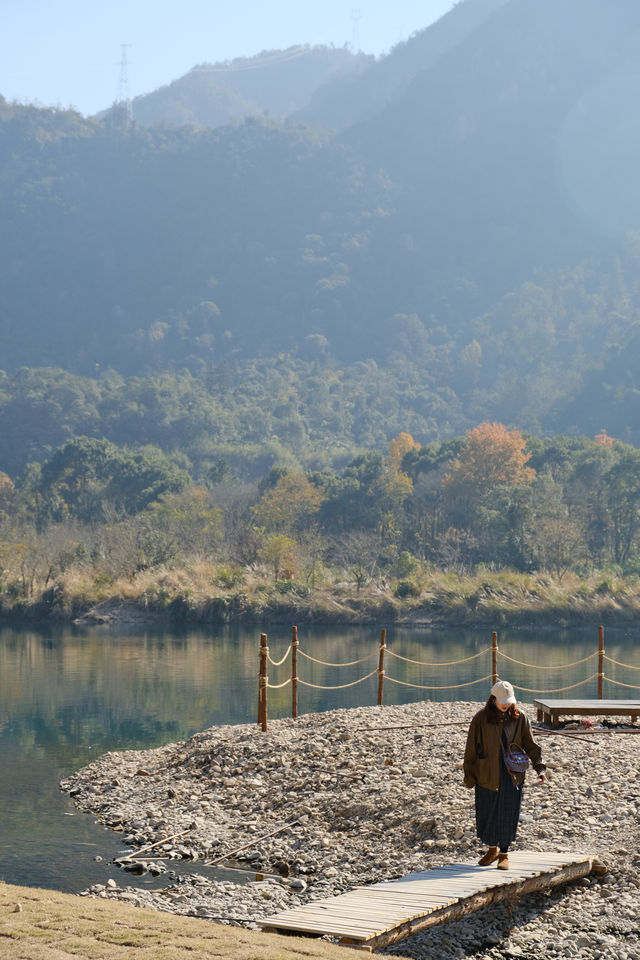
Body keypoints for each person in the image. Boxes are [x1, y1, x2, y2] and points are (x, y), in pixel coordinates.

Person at [463, 679, 547, 870]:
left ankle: (504, 853)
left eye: (508, 701)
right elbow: (471, 750)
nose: (506, 704)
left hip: (512, 774)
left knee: (508, 813)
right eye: (503, 701)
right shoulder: (480, 718)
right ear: (493, 699)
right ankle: (491, 850)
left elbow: (531, 745)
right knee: (487, 812)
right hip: (486, 773)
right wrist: (469, 776)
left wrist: (540, 769)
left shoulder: (520, 717)